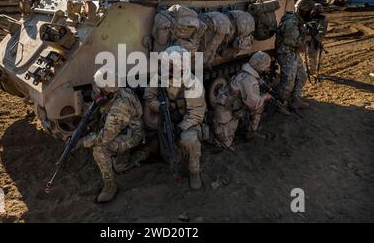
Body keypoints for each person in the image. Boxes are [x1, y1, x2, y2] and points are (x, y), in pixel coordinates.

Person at [143, 46, 206, 190]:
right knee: (168, 152)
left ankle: (194, 171)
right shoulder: (159, 78)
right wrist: (159, 106)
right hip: (167, 120)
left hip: (187, 123)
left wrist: (180, 127)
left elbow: (196, 114)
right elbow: (149, 95)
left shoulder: (193, 84)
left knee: (188, 139)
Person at [82, 68, 144, 203]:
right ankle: (123, 156)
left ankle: (110, 185)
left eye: (98, 87)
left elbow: (104, 138)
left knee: (99, 149)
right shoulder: (118, 91)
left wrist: (83, 142)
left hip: (131, 134)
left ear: (106, 92)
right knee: (119, 165)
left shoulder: (118, 108)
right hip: (123, 128)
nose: (95, 89)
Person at [213, 52, 274, 149]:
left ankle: (250, 131)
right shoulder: (249, 80)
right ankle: (250, 130)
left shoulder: (245, 73)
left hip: (229, 106)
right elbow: (254, 104)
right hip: (226, 111)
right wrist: (265, 97)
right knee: (225, 143)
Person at [275, 0, 315, 114]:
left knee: (302, 76)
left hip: (293, 53)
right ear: (304, 10)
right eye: (310, 11)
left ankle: (295, 100)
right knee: (288, 82)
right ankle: (279, 103)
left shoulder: (298, 20)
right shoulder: (291, 21)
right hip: (286, 53)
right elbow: (291, 41)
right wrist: (307, 38)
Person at [307, 3, 328, 77]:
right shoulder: (311, 17)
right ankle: (310, 70)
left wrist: (315, 36)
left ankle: (311, 71)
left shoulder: (323, 19)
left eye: (315, 10)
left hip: (315, 40)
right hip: (309, 39)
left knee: (312, 55)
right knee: (308, 55)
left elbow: (322, 32)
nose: (313, 11)